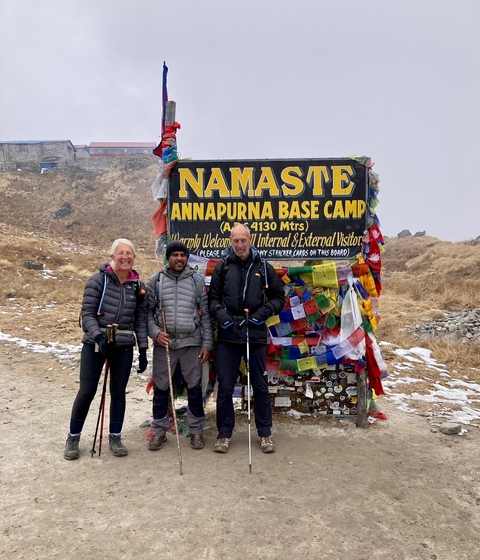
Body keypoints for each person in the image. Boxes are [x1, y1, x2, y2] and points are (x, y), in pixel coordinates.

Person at [64, 238, 148, 460]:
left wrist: (143, 350)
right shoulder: (98, 280)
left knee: (118, 393)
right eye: (120, 253)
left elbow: (139, 320)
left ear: (134, 258)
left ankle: (115, 436)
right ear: (112, 257)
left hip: (123, 345)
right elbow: (87, 314)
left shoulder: (138, 286)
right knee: (87, 391)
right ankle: (73, 437)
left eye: (129, 253)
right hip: (95, 344)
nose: (125, 257)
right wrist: (100, 339)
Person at [208, 224, 285, 454]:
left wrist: (262, 314)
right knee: (225, 386)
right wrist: (222, 317)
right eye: (235, 241)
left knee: (260, 385)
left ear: (250, 239)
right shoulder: (222, 267)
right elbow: (212, 300)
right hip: (229, 334)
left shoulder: (263, 266)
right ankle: (224, 434)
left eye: (243, 240)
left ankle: (265, 434)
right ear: (230, 241)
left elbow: (279, 297)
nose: (240, 245)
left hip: (255, 332)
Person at [146, 241, 213, 451]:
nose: (179, 259)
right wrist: (156, 333)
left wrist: (207, 345)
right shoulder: (155, 281)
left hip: (191, 342)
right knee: (161, 389)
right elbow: (147, 314)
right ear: (168, 257)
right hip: (164, 344)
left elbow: (205, 316)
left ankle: (196, 431)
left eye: (182, 255)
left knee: (194, 389)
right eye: (174, 255)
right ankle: (159, 432)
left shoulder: (197, 281)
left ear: (187, 258)